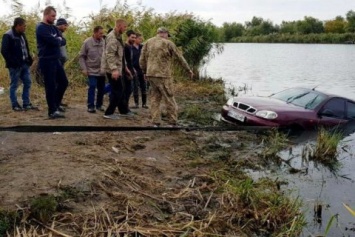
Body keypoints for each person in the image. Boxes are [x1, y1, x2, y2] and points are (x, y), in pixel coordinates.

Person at [139, 27, 194, 126]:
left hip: (151, 74)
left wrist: (144, 71)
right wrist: (188, 69)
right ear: (164, 33)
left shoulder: (148, 42)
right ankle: (172, 121)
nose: (167, 37)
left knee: (154, 98)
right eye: (167, 35)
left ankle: (155, 121)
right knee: (169, 98)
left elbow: (141, 59)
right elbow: (179, 57)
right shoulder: (168, 43)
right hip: (163, 75)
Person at [36, 6, 68, 119]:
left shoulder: (54, 28)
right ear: (46, 15)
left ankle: (56, 104)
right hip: (46, 60)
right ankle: (52, 111)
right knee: (50, 85)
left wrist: (57, 40)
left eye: (55, 16)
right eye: (53, 16)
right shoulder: (41, 27)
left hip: (56, 59)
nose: (55, 18)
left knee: (63, 82)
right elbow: (52, 41)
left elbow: (63, 41)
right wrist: (57, 40)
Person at [1, 17, 38, 111]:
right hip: (15, 66)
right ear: (18, 26)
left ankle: (26, 104)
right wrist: (13, 62)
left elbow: (25, 48)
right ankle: (15, 105)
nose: (25, 28)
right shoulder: (8, 35)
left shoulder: (22, 35)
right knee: (14, 85)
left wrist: (29, 60)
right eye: (24, 26)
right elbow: (4, 51)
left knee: (28, 82)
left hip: (24, 64)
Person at [101, 19, 130, 119]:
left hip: (118, 67)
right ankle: (108, 113)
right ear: (119, 26)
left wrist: (124, 67)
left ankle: (123, 111)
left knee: (120, 89)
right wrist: (114, 70)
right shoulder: (112, 38)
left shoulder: (118, 36)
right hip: (112, 69)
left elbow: (120, 55)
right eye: (124, 27)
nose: (125, 29)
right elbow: (110, 55)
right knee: (118, 90)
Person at [79, 25, 105, 113]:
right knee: (92, 86)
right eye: (100, 33)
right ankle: (90, 106)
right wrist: (84, 69)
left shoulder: (104, 42)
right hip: (91, 70)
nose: (102, 35)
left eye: (103, 33)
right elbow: (81, 56)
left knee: (101, 88)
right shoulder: (87, 42)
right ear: (94, 33)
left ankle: (99, 105)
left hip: (102, 70)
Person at [132, 32, 148, 109]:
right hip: (134, 69)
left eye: (141, 39)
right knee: (135, 86)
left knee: (143, 86)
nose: (141, 40)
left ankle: (144, 103)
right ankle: (136, 103)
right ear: (135, 39)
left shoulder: (142, 47)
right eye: (139, 38)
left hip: (142, 69)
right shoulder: (130, 47)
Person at [123, 30, 136, 111]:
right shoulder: (125, 46)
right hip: (126, 71)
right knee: (127, 90)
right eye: (132, 37)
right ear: (128, 37)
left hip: (130, 70)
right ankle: (124, 108)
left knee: (129, 90)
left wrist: (133, 69)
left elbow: (130, 60)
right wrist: (128, 71)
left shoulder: (130, 46)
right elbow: (124, 60)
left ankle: (125, 107)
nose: (134, 39)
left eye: (135, 38)